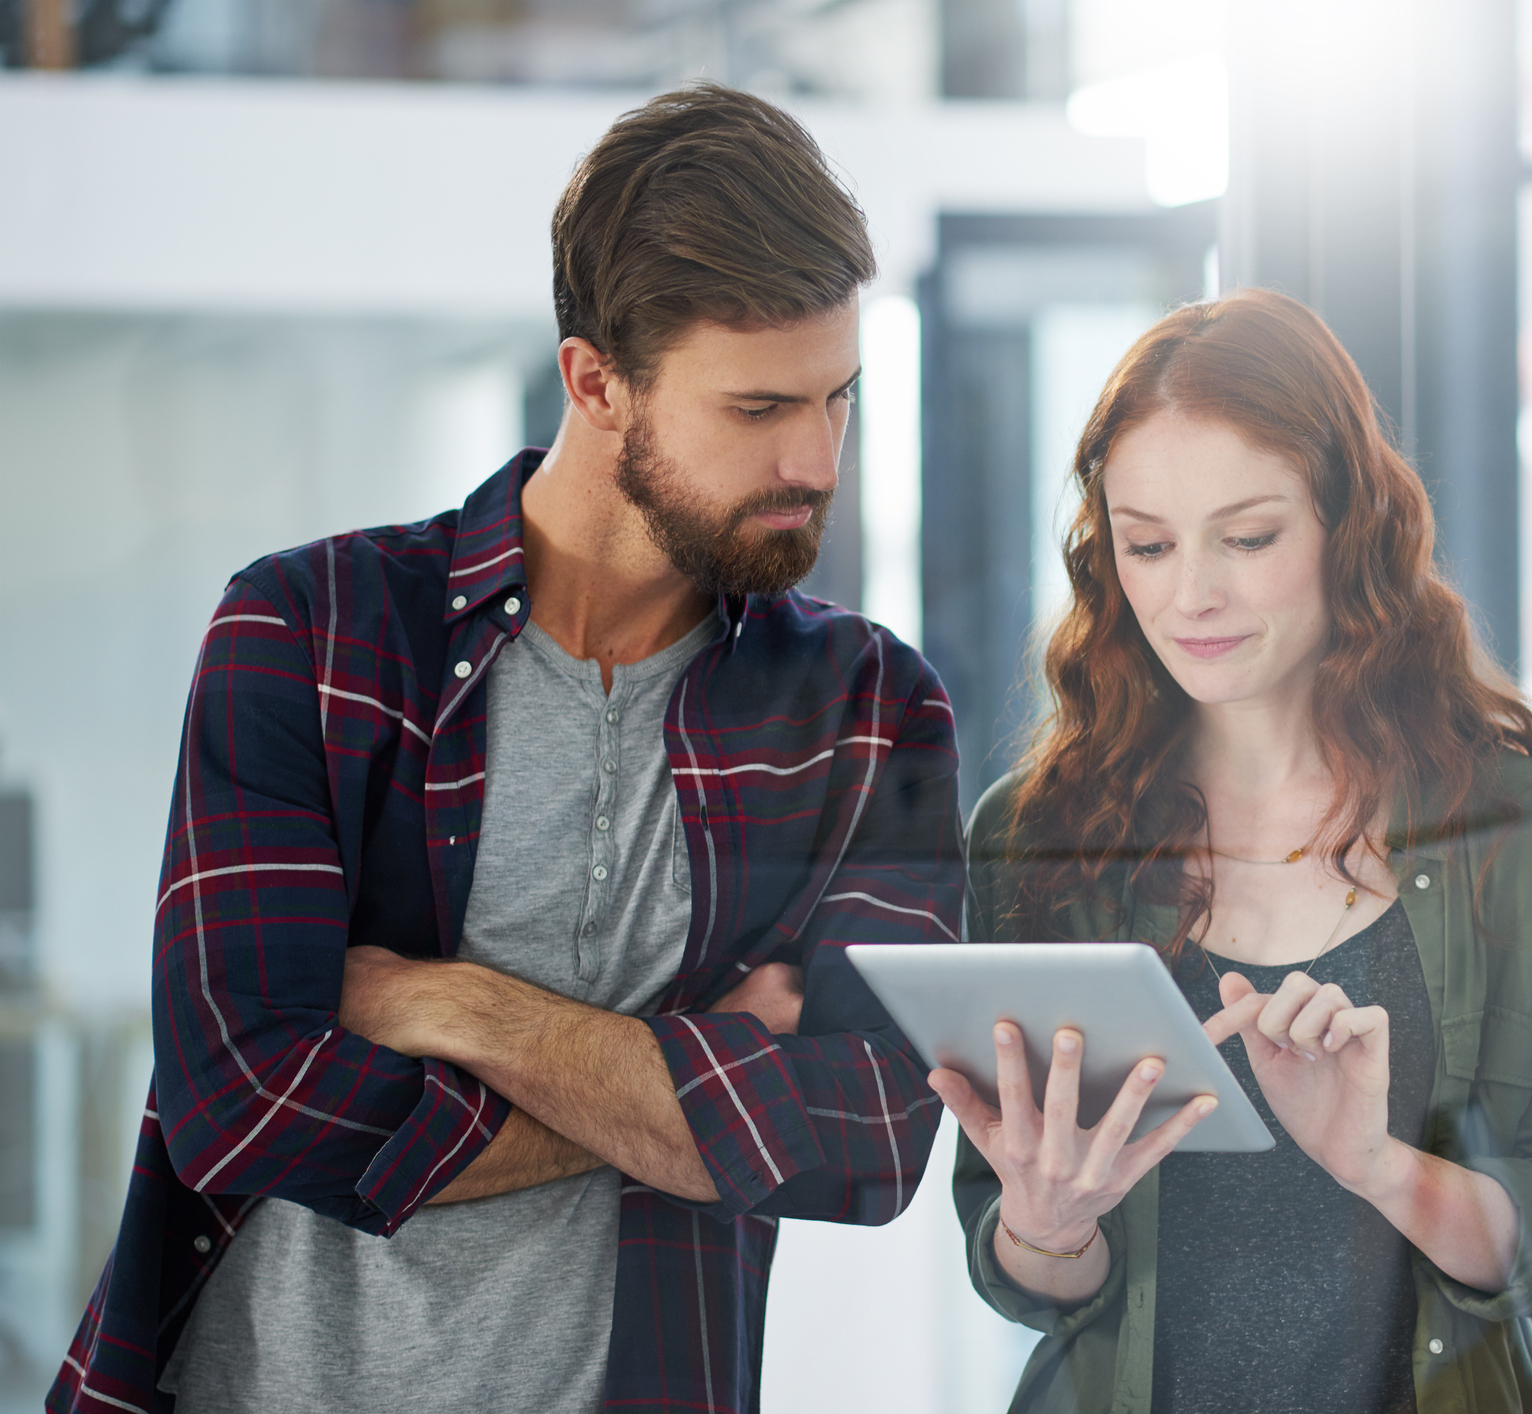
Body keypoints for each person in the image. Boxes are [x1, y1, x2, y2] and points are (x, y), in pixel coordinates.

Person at [49, 84, 963, 1414]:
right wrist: (688, 1083)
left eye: (839, 396)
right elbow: (243, 1097)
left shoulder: (864, 707)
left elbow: (867, 1137)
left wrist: (458, 1004)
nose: (815, 458)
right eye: (757, 407)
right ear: (596, 381)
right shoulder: (307, 633)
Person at [932, 289, 1532, 1414]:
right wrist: (1047, 1224)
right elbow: (1025, 1274)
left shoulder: (1511, 830)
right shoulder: (1033, 840)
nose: (1191, 594)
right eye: (1147, 546)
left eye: (1248, 537)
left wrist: (1379, 1167)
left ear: (1345, 523)